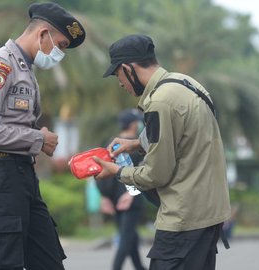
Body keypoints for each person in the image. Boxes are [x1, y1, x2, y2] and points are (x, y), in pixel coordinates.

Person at [94, 34, 231, 270]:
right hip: (209, 215)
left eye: (118, 75)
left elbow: (155, 175)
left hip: (183, 220)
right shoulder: (186, 84)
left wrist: (117, 171)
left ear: (128, 69)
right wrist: (136, 144)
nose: (120, 84)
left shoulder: (159, 102)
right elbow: (185, 135)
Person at [0, 2, 86, 270]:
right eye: (62, 45)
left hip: (23, 178)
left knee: (49, 262)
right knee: (4, 265)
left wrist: (35, 138)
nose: (60, 54)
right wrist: (38, 139)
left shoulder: (25, 71)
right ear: (43, 34)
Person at [96, 109, 147, 270]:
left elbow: (99, 170)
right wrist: (130, 194)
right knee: (127, 239)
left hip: (118, 199)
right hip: (130, 198)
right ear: (133, 125)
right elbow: (143, 171)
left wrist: (104, 196)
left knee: (129, 238)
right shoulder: (137, 145)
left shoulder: (110, 144)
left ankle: (140, 267)